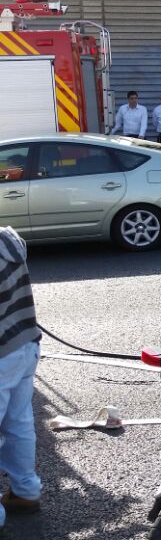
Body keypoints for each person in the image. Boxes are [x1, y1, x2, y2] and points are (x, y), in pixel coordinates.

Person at [0, 227, 43, 531]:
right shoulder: (8, 238)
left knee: (18, 423)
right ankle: (26, 492)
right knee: (19, 423)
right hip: (26, 342)